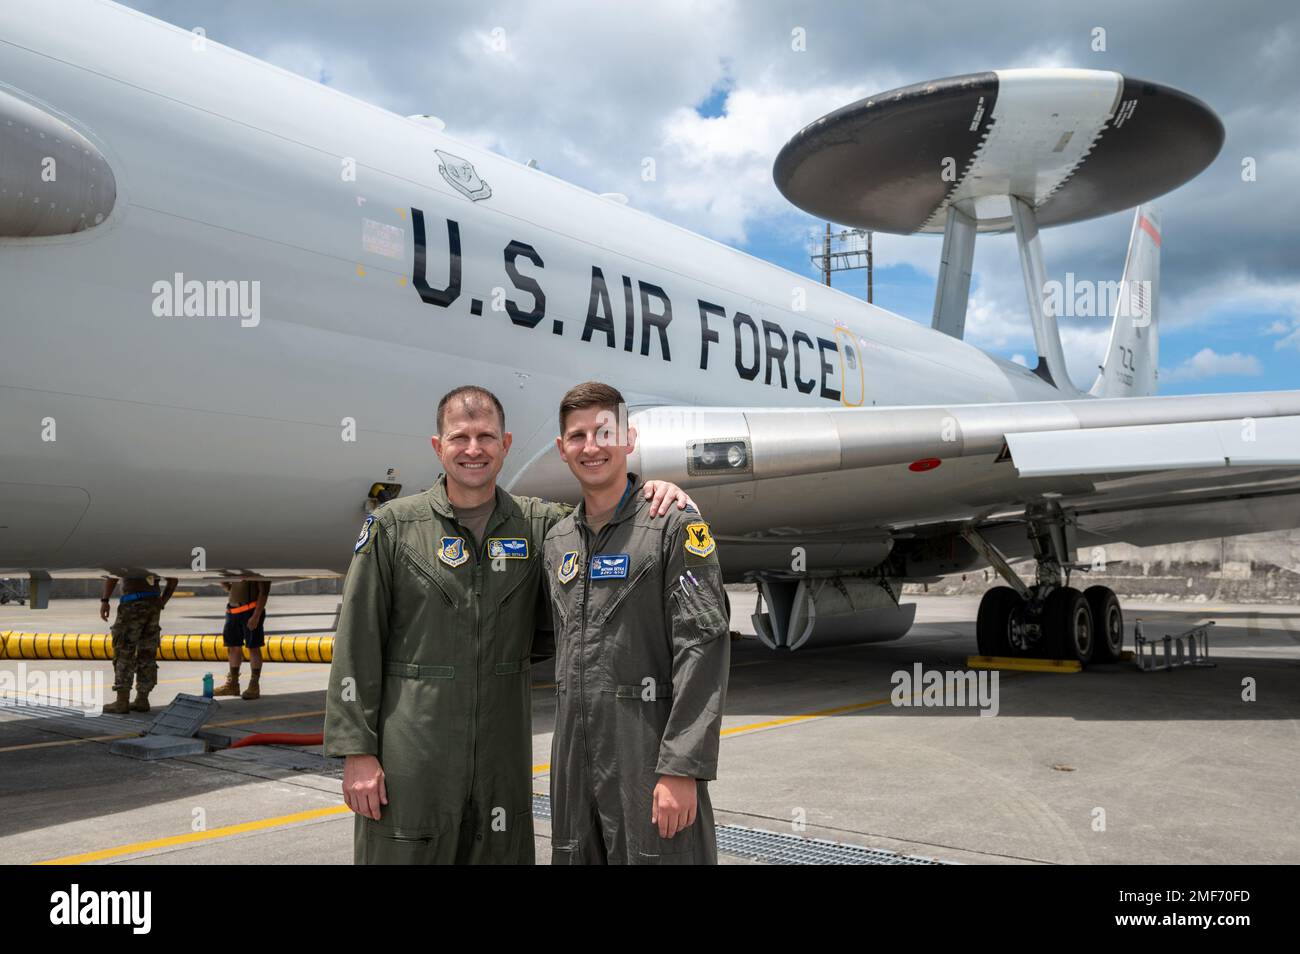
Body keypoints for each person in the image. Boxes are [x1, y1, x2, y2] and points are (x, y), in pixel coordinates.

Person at [324, 385, 692, 865]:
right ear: (439, 447)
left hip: (503, 760)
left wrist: (657, 494)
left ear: (506, 445)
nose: (473, 450)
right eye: (460, 437)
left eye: (486, 437)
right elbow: (356, 641)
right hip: (412, 758)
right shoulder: (395, 528)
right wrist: (357, 752)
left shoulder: (538, 525)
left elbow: (605, 519)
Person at [543, 381, 730, 864]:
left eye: (604, 432)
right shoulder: (558, 540)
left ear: (629, 438)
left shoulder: (673, 526)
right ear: (562, 449)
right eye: (578, 436)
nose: (592, 446)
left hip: (647, 759)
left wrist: (681, 768)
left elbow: (703, 647)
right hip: (572, 768)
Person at [100, 573, 178, 714]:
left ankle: (122, 701)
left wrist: (105, 600)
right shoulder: (156, 558)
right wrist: (161, 602)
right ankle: (142, 699)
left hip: (132, 604)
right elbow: (173, 580)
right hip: (153, 604)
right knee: (147, 652)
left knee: (124, 651)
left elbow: (113, 575)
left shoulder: (128, 557)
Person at [213, 580, 270, 699]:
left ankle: (254, 685)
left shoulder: (257, 569)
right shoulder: (236, 570)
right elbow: (233, 589)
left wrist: (256, 616)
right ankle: (233, 684)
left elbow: (263, 592)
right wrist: (225, 584)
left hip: (250, 612)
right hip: (232, 611)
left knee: (253, 648)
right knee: (233, 647)